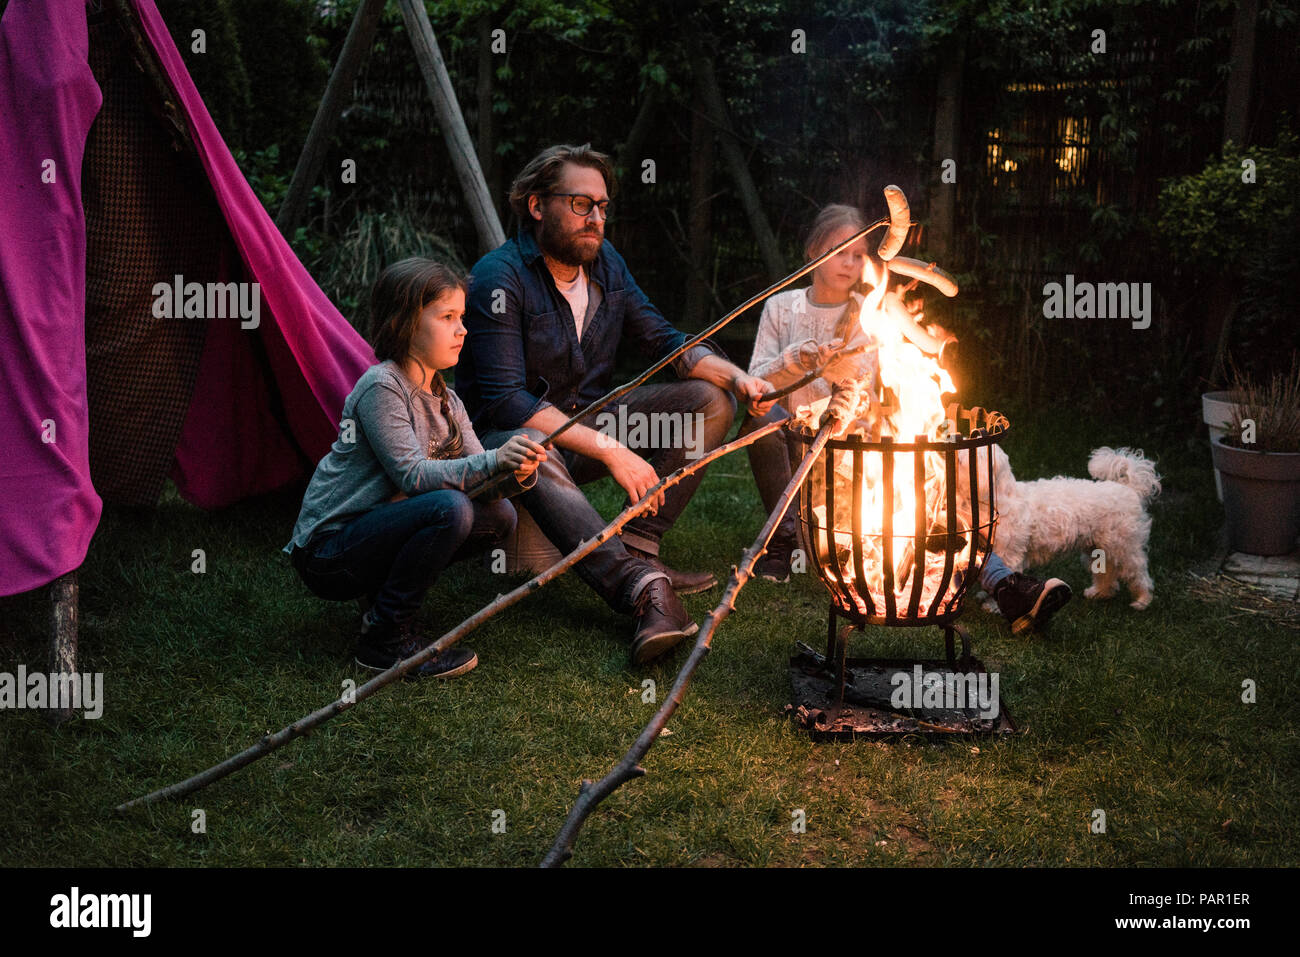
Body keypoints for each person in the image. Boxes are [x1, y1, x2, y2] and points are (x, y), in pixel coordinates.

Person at [457, 143, 775, 665]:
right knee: (534, 442)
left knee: (709, 399)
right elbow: (506, 400)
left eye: (602, 206)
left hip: (584, 429)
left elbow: (661, 339)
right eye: (582, 204)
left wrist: (737, 377)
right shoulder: (501, 276)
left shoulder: (607, 266)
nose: (596, 218)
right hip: (502, 449)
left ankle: (640, 544)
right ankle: (641, 588)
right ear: (537, 206)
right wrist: (611, 449)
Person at [743, 204, 1071, 633]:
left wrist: (838, 382)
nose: (850, 262)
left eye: (859, 254)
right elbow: (754, 386)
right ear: (812, 250)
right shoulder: (781, 308)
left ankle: (1004, 582)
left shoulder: (873, 313)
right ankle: (781, 544)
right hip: (795, 453)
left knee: (918, 508)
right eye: (840, 250)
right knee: (759, 422)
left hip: (851, 455)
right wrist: (799, 360)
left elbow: (860, 395)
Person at [284, 258, 547, 678]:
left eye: (462, 317)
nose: (463, 329)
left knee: (499, 515)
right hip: (328, 551)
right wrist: (494, 459)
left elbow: (485, 485)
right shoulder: (382, 386)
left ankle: (380, 604)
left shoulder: (449, 400)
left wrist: (516, 470)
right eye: (447, 317)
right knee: (449, 508)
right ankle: (384, 641)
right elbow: (412, 475)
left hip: (376, 533)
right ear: (405, 322)